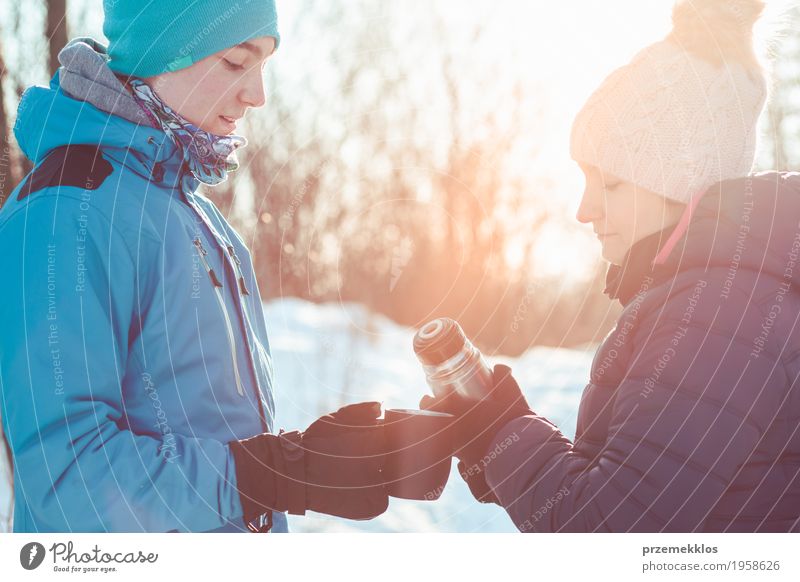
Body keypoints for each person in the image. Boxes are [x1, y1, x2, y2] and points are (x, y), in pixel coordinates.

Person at [0, 0, 388, 533]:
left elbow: (209, 431)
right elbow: (68, 481)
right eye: (235, 61)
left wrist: (309, 458)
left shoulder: (195, 215)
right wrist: (269, 476)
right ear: (162, 51)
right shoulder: (66, 211)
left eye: (263, 66)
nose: (258, 95)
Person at [424, 0, 800, 532]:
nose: (584, 209)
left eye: (611, 182)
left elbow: (605, 533)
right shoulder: (717, 298)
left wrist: (498, 432)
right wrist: (500, 435)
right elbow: (625, 488)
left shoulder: (720, 314)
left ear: (681, 179)